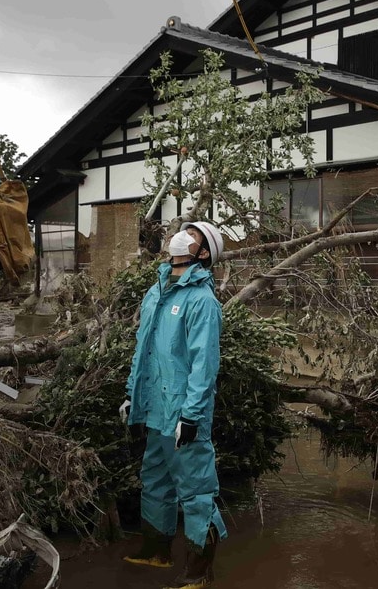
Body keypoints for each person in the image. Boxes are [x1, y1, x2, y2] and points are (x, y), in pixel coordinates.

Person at [119, 221, 228, 589]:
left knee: (196, 492)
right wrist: (133, 394)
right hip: (156, 410)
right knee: (155, 481)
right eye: (184, 232)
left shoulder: (202, 302)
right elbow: (143, 349)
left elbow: (204, 364)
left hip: (184, 413)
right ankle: (156, 551)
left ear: (204, 254)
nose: (182, 237)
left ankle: (198, 573)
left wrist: (193, 416)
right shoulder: (157, 291)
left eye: (194, 237)